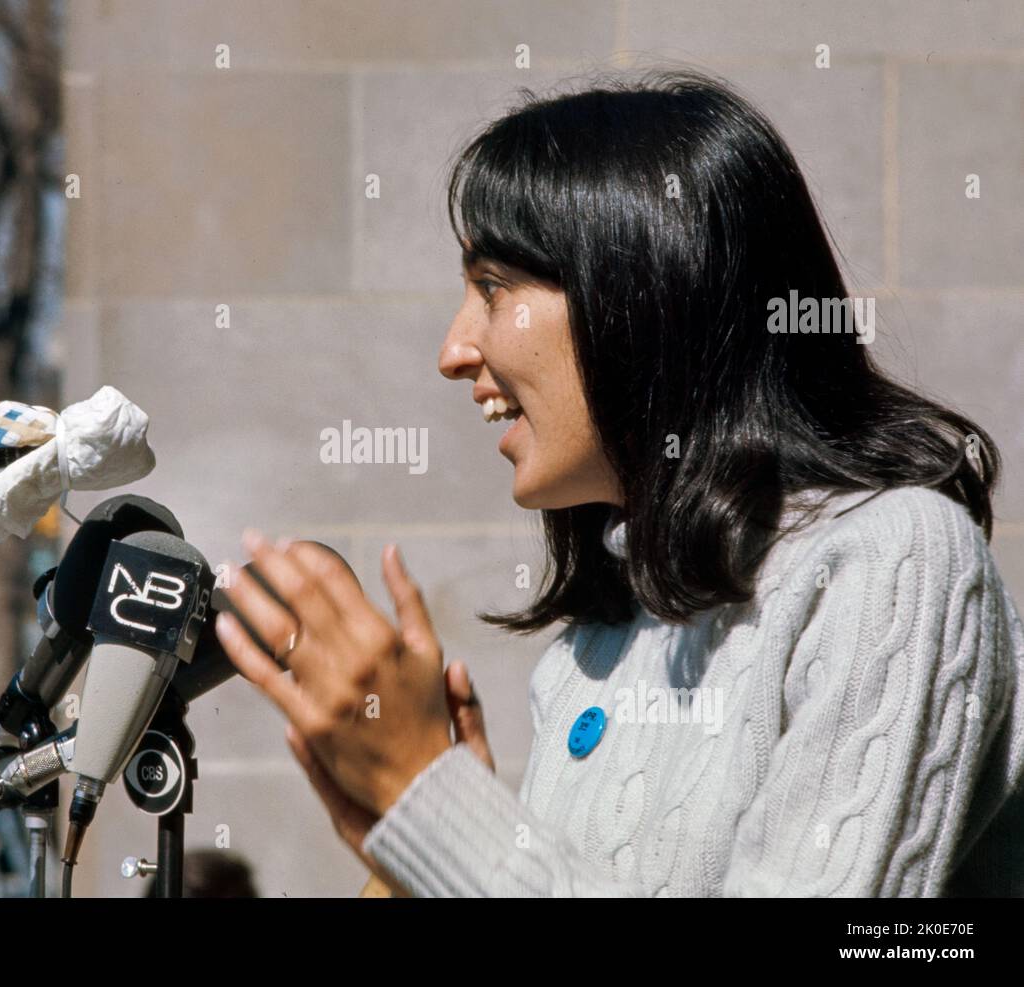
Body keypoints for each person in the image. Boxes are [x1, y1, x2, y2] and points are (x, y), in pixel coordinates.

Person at [213, 69, 1024, 897]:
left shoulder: (894, 560)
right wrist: (432, 846)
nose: (454, 350)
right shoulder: (597, 647)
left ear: (641, 291)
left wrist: (435, 804)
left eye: (493, 288)